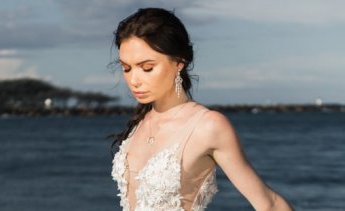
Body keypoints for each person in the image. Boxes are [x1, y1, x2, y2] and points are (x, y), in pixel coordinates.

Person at [111, 8, 292, 211]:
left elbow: (270, 204)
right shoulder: (140, 122)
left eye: (147, 68)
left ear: (179, 62)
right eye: (126, 68)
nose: (134, 80)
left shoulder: (208, 126)